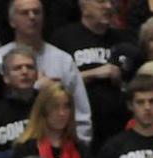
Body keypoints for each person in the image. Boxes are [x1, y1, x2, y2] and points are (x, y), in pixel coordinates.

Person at [0, 0, 93, 146]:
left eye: (37, 12)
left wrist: (80, 151)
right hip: (8, 138)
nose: (32, 17)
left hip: (60, 150)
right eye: (25, 13)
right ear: (12, 21)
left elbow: (81, 114)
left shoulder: (63, 60)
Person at [51, 0, 137, 148]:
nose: (108, 6)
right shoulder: (64, 37)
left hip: (119, 126)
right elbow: (54, 84)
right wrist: (93, 74)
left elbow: (137, 83)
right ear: (83, 6)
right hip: (77, 125)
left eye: (111, 2)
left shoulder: (125, 38)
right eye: (101, 2)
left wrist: (122, 83)